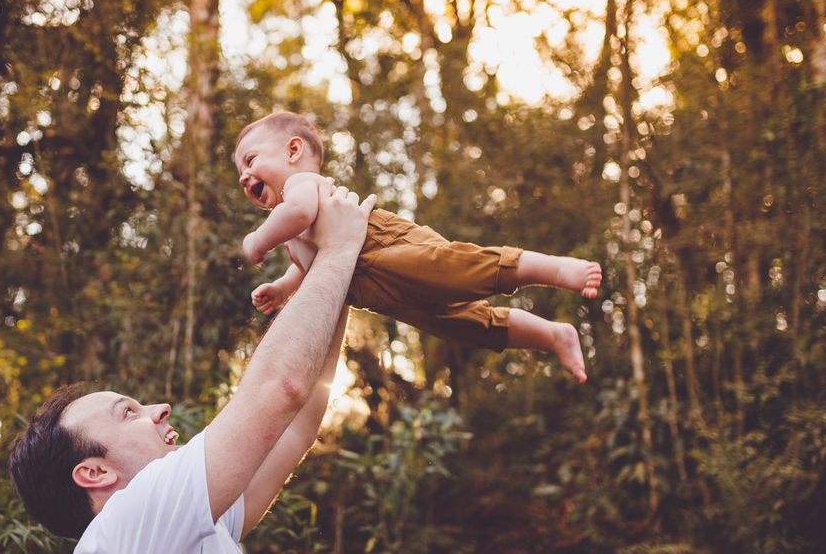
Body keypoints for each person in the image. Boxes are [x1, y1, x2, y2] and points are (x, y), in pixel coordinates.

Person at [8, 179, 375, 554]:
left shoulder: (188, 531)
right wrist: (340, 248)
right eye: (129, 412)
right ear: (94, 473)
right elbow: (280, 389)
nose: (160, 408)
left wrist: (328, 275)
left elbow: (298, 424)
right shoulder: (123, 529)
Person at [235, 112, 602, 382]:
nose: (244, 176)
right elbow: (307, 268)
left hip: (383, 246)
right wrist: (282, 288)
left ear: (293, 150)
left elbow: (299, 212)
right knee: (468, 325)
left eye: (250, 160)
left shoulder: (299, 186)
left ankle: (555, 269)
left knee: (458, 269)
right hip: (378, 290)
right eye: (240, 173)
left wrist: (256, 241)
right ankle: (553, 336)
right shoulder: (292, 230)